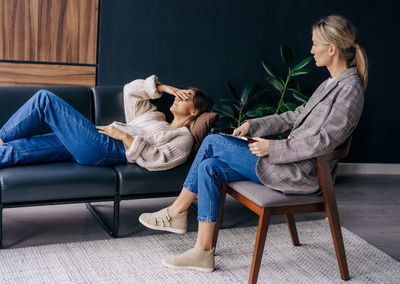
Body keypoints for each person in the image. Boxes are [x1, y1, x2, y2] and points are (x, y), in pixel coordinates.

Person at [139, 15, 368, 272]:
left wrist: (273, 148)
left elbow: (326, 142)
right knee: (209, 167)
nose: (312, 50)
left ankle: (177, 211)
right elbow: (294, 116)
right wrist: (253, 125)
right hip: (286, 163)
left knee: (213, 141)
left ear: (332, 48)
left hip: (298, 173)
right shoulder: (330, 84)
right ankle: (202, 252)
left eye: (315, 44)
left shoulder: (350, 89)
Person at [0, 75, 213, 170]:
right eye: (180, 92)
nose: (178, 96)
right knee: (25, 148)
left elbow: (160, 160)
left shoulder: (183, 138)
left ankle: (2, 136)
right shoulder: (155, 117)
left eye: (186, 96)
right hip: (98, 139)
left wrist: (127, 137)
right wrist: (165, 88)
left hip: (110, 148)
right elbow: (131, 90)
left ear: (194, 111)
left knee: (44, 100)